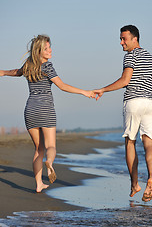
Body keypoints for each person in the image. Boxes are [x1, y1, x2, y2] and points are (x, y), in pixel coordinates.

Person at [0, 35, 95, 193]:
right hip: (45, 109)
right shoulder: (47, 66)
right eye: (46, 48)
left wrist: (2, 72)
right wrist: (85, 92)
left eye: (50, 47)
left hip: (30, 110)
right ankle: (49, 163)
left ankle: (38, 184)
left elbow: (17, 72)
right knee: (50, 146)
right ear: (39, 51)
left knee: (38, 149)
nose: (50, 50)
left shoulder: (29, 65)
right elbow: (62, 86)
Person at [94, 25, 152, 202]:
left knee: (130, 142)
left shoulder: (130, 56)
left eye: (124, 39)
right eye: (120, 39)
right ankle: (151, 180)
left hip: (135, 101)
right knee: (149, 143)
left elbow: (125, 81)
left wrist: (103, 89)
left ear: (135, 39)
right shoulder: (150, 56)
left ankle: (134, 184)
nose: (121, 43)